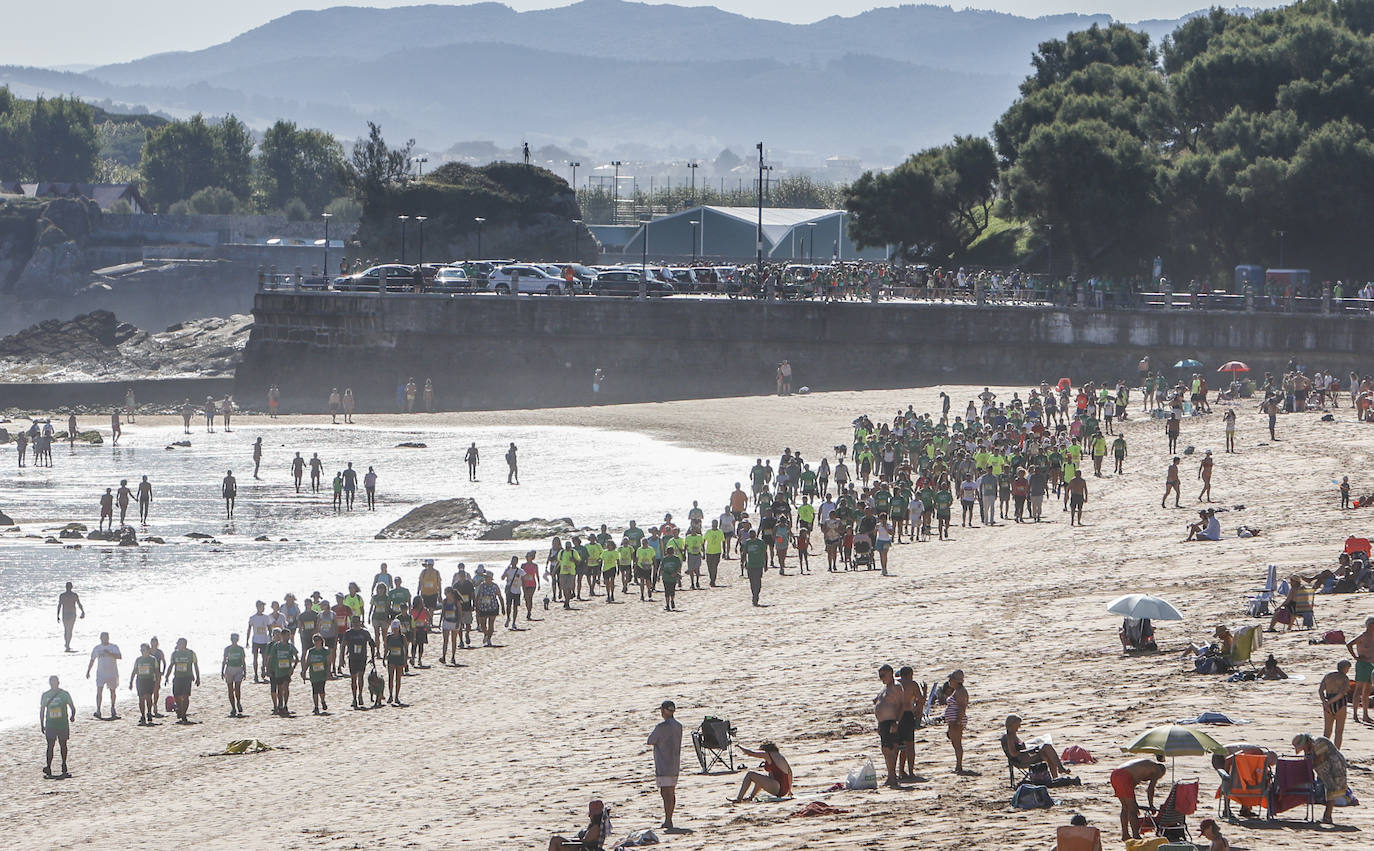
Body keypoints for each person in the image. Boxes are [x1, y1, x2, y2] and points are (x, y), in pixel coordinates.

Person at [1292, 733, 1349, 824]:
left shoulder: (1318, 742)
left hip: (1335, 766)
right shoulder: (1309, 746)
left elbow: (1319, 759)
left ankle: (1327, 817)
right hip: (1325, 769)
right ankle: (1327, 817)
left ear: (1305, 743)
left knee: (1332, 791)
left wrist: (1308, 766)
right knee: (1329, 791)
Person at [646, 700, 683, 830]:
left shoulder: (662, 726)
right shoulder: (678, 725)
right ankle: (669, 818)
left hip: (663, 763)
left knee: (665, 793)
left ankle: (668, 819)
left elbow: (650, 740)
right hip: (674, 762)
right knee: (671, 792)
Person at [1110, 756, 1166, 840]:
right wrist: (1151, 805)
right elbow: (1150, 789)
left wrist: (1134, 803)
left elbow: (1130, 787)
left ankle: (1125, 834)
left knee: (1125, 807)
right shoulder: (1157, 770)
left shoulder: (1144, 766)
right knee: (1132, 809)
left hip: (1115, 774)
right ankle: (1136, 835)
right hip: (1124, 776)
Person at [1001, 714, 1068, 778]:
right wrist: (1030, 750)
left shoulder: (1011, 734)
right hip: (1022, 760)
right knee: (1046, 747)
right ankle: (1059, 769)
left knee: (1047, 752)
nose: (1019, 726)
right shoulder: (1010, 737)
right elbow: (1013, 753)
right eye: (1018, 724)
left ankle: (1057, 774)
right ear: (1012, 724)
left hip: (1024, 756)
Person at [873, 664, 903, 787]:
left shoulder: (896, 687)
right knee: (886, 750)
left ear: (890, 673)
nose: (881, 678)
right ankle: (891, 775)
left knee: (890, 749)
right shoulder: (885, 689)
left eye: (883, 675)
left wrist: (896, 722)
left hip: (891, 721)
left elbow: (901, 705)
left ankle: (892, 776)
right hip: (883, 722)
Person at [40, 676, 76, 778]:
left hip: (62, 724)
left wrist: (72, 716)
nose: (53, 684)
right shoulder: (45, 695)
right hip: (50, 724)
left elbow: (72, 707)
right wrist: (41, 724)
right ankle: (48, 767)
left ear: (58, 683)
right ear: (49, 683)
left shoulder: (64, 694)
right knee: (50, 746)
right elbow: (42, 710)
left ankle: (64, 765)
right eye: (51, 683)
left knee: (63, 745)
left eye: (55, 682)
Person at [342, 616, 376, 709]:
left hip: (362, 657)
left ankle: (360, 695)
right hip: (352, 658)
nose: (356, 623)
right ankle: (354, 698)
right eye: (354, 622)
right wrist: (341, 658)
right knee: (353, 679)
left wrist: (373, 657)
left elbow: (372, 644)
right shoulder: (348, 633)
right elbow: (343, 645)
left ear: (360, 622)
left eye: (357, 622)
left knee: (360, 677)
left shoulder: (364, 632)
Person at [86, 632, 121, 719]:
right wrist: (88, 671)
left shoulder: (113, 647)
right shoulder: (97, 648)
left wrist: (110, 653)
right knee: (99, 691)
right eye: (103, 637)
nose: (104, 639)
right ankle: (98, 710)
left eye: (106, 637)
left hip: (112, 673)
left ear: (108, 638)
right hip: (101, 673)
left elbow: (119, 656)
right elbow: (92, 660)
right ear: (100, 638)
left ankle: (113, 707)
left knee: (112, 691)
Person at [1345, 616, 1374, 724]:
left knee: (1367, 691)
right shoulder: (1363, 636)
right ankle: (1355, 714)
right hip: (1363, 665)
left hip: (1372, 665)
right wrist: (1356, 657)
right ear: (1370, 625)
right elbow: (1349, 644)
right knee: (1358, 689)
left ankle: (1365, 715)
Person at [164, 637, 199, 723]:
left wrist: (198, 677)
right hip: (177, 677)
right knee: (176, 696)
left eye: (179, 644)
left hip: (187, 677)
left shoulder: (191, 653)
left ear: (184, 644)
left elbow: (195, 666)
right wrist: (167, 676)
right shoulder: (175, 654)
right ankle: (180, 708)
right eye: (178, 644)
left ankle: (183, 714)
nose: (178, 646)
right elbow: (171, 665)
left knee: (186, 696)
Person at [1319, 659, 1353, 747]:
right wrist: (1330, 702)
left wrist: (1325, 702)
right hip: (1340, 703)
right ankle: (1336, 751)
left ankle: (1322, 750)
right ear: (1345, 668)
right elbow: (1342, 693)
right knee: (1339, 731)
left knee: (1327, 731)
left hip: (1328, 700)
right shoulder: (1344, 678)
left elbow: (1321, 690)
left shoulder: (1328, 676)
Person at [943, 669, 969, 774]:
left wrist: (957, 722)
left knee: (957, 743)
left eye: (951, 679)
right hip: (954, 721)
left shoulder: (961, 692)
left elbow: (962, 708)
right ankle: (958, 765)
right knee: (955, 743)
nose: (949, 681)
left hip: (956, 721)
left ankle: (959, 766)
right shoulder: (957, 691)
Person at [130, 643, 159, 725]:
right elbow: (134, 671)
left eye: (144, 650)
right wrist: (131, 682)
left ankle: (149, 712)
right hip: (140, 680)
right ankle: (142, 715)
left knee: (148, 697)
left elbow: (157, 672)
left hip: (149, 680)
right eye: (141, 650)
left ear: (148, 650)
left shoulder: (153, 659)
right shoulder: (138, 660)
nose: (142, 652)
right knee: (141, 698)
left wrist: (157, 682)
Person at [302, 633, 331, 715]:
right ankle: (316, 706)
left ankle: (322, 700)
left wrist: (328, 672)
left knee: (321, 689)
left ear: (321, 641)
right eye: (315, 640)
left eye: (318, 640)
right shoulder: (311, 651)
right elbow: (308, 661)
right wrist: (304, 670)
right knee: (314, 690)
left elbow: (328, 662)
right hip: (313, 673)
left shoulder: (325, 651)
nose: (316, 642)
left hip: (322, 673)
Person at [221, 633, 246, 718]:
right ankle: (233, 707)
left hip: (238, 668)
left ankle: (238, 702)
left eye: (235, 639)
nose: (234, 640)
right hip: (229, 669)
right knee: (230, 689)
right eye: (233, 639)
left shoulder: (240, 649)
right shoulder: (227, 649)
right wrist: (222, 671)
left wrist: (244, 671)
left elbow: (243, 661)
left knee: (237, 688)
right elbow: (224, 660)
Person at [741, 529, 767, 606]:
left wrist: (765, 565)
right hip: (750, 565)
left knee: (758, 582)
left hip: (759, 565)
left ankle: (756, 595)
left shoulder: (760, 542)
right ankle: (754, 595)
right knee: (752, 582)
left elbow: (765, 553)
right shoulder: (748, 542)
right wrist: (743, 562)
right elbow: (744, 553)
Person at [57, 582, 85, 652]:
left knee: (67, 630)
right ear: (71, 587)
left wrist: (57, 615)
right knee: (69, 630)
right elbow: (79, 604)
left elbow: (59, 605)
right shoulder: (73, 595)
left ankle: (67, 644)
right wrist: (82, 612)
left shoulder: (63, 595)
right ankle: (67, 644)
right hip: (70, 614)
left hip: (67, 614)